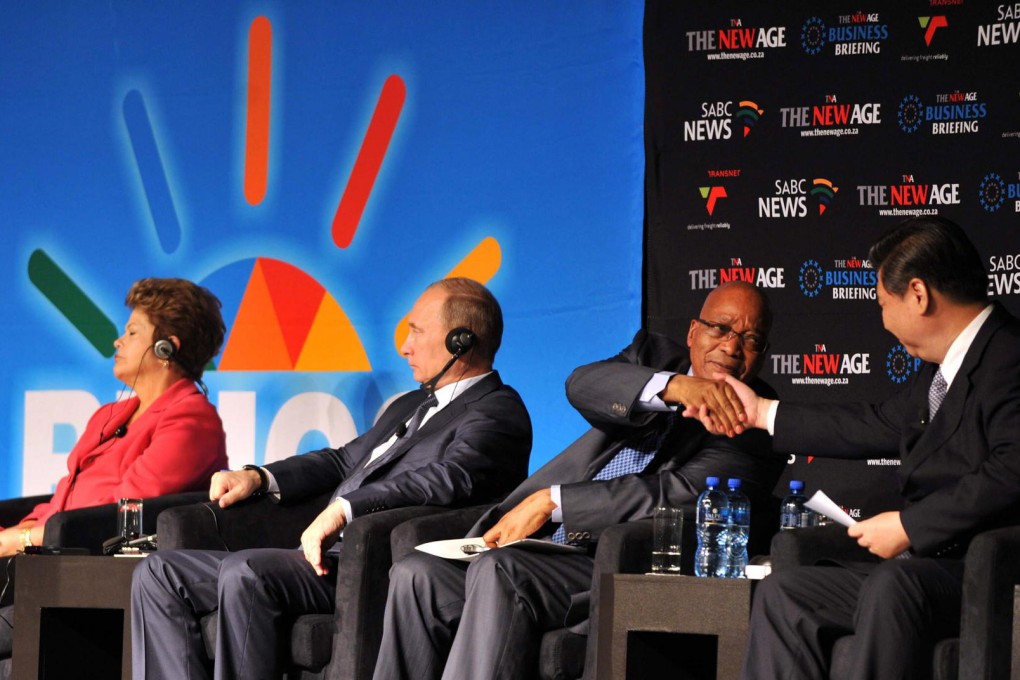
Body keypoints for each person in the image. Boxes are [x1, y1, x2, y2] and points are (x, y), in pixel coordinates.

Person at [372, 280, 783, 680]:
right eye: (721, 328)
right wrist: (676, 388)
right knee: (417, 575)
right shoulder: (653, 354)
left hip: (612, 561)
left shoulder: (757, 422)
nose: (731, 348)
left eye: (750, 340)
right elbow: (583, 384)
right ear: (694, 331)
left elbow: (672, 494)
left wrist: (555, 501)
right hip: (541, 544)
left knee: (502, 571)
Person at [131, 277, 532, 680]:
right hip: (319, 557)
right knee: (159, 572)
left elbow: (450, 478)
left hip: (367, 563)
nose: (404, 346)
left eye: (416, 331)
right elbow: (342, 461)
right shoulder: (412, 404)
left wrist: (347, 508)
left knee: (246, 571)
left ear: (460, 341)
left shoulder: (497, 411)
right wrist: (259, 476)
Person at [696, 218, 1020, 680]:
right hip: (928, 568)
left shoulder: (1009, 355)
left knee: (893, 585)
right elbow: (878, 422)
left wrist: (911, 524)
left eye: (884, 304)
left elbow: (1012, 469)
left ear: (918, 294)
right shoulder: (940, 368)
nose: (883, 320)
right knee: (785, 594)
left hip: (988, 573)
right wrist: (761, 413)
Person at [0, 277, 228, 673]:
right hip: (48, 562)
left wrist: (17, 539)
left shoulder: (192, 420)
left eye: (132, 332)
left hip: (100, 577)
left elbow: (123, 513)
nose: (117, 342)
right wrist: (22, 531)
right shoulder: (109, 416)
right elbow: (63, 501)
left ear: (165, 348)